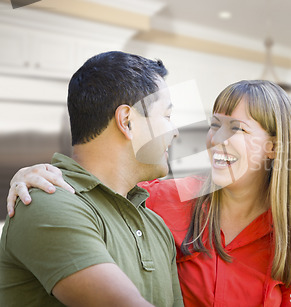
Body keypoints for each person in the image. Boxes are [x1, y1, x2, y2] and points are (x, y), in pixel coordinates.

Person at [6, 80, 291, 306]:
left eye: (237, 129)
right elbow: (98, 187)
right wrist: (39, 173)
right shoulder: (163, 198)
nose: (217, 139)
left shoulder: (290, 240)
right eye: (215, 124)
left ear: (273, 147)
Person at [0, 51, 183, 307]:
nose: (174, 132)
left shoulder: (155, 226)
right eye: (166, 116)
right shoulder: (46, 201)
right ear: (127, 121)